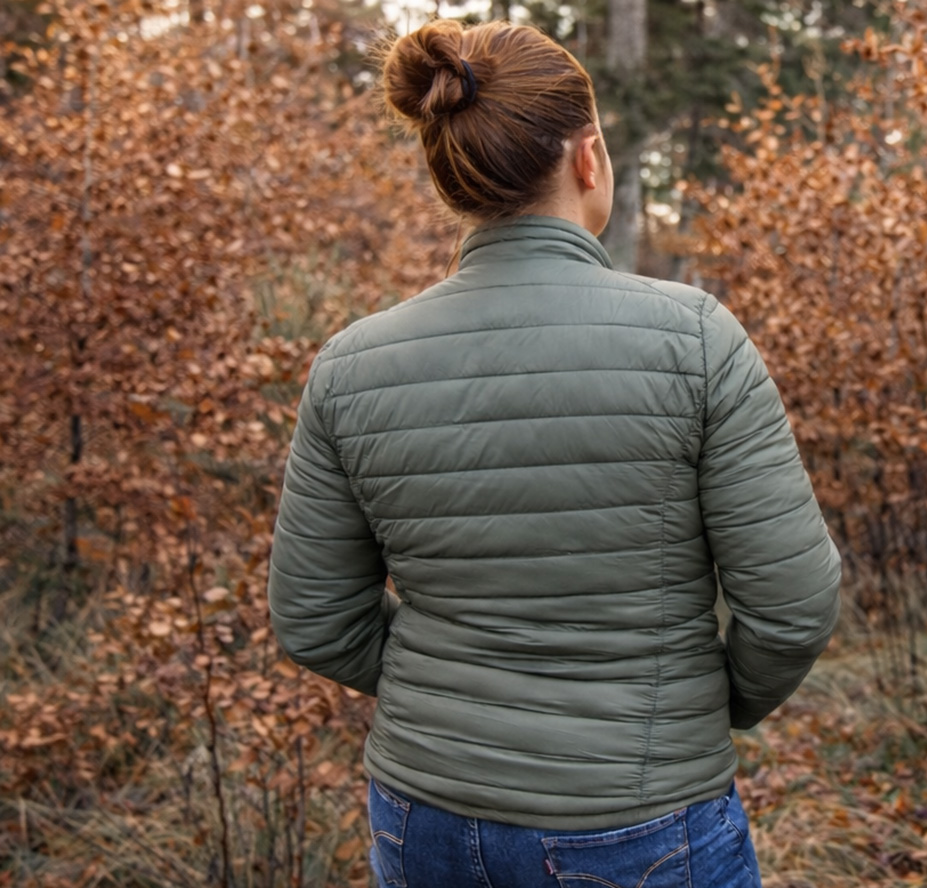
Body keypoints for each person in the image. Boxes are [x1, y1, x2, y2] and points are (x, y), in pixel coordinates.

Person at [268, 18, 842, 888]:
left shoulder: (352, 364)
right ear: (588, 157)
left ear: (453, 176)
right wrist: (691, 710)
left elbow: (314, 617)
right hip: (640, 812)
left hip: (425, 817)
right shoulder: (696, 339)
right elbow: (793, 605)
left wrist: (444, 691)